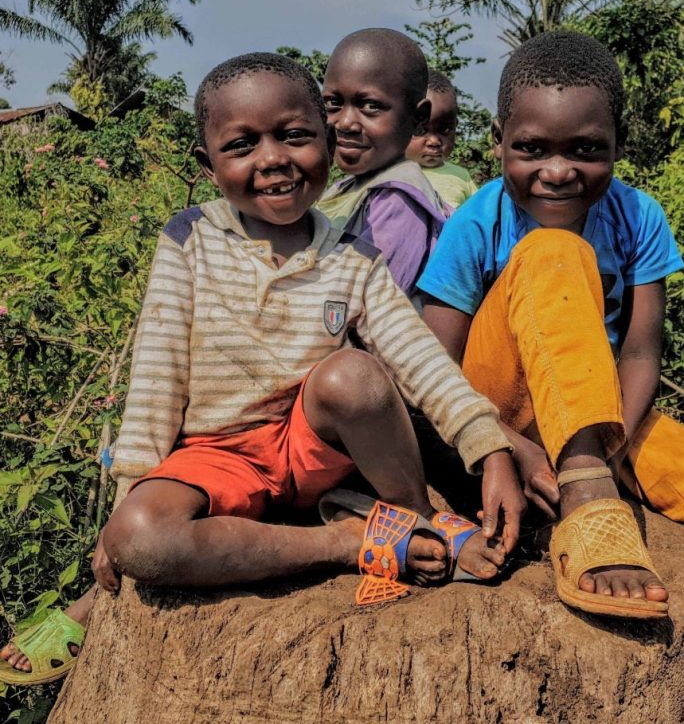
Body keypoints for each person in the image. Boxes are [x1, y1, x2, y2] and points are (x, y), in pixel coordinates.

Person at [0, 52, 526, 685]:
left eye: (294, 135)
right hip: (215, 455)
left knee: (354, 375)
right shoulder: (188, 240)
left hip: (309, 447)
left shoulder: (352, 257)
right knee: (141, 536)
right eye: (243, 144)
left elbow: (415, 357)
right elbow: (156, 371)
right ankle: (346, 542)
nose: (273, 158)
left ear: (328, 144)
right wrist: (129, 493)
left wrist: (487, 446)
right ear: (208, 167)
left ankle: (412, 515)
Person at [417, 31, 684, 724]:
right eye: (532, 148)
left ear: (618, 142)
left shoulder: (638, 216)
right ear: (499, 139)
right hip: (493, 405)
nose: (558, 170)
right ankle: (589, 502)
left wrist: (607, 441)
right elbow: (431, 365)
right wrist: (507, 442)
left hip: (604, 418)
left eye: (585, 149)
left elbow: (640, 353)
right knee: (554, 252)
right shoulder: (479, 221)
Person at [316, 29, 449, 303]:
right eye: (333, 103)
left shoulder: (398, 201)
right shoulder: (348, 186)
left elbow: (365, 307)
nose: (345, 123)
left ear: (419, 118)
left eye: (370, 106)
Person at [405, 69, 479, 210]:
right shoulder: (385, 175)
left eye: (444, 130)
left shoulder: (462, 177)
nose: (434, 141)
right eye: (422, 130)